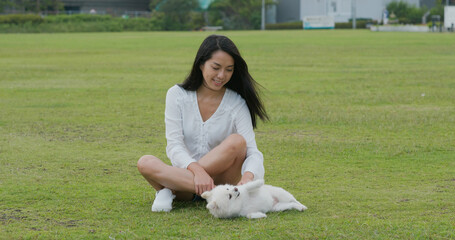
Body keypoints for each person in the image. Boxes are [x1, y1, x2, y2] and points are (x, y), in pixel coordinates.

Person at [137, 35, 268, 212]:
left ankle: (167, 190)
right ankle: (182, 189)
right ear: (201, 64)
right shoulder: (176, 95)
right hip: (189, 185)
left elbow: (252, 151)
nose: (222, 75)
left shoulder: (237, 103)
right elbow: (174, 145)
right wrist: (197, 172)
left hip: (222, 182)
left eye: (229, 70)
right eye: (216, 67)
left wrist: (247, 178)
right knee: (145, 162)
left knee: (237, 141)